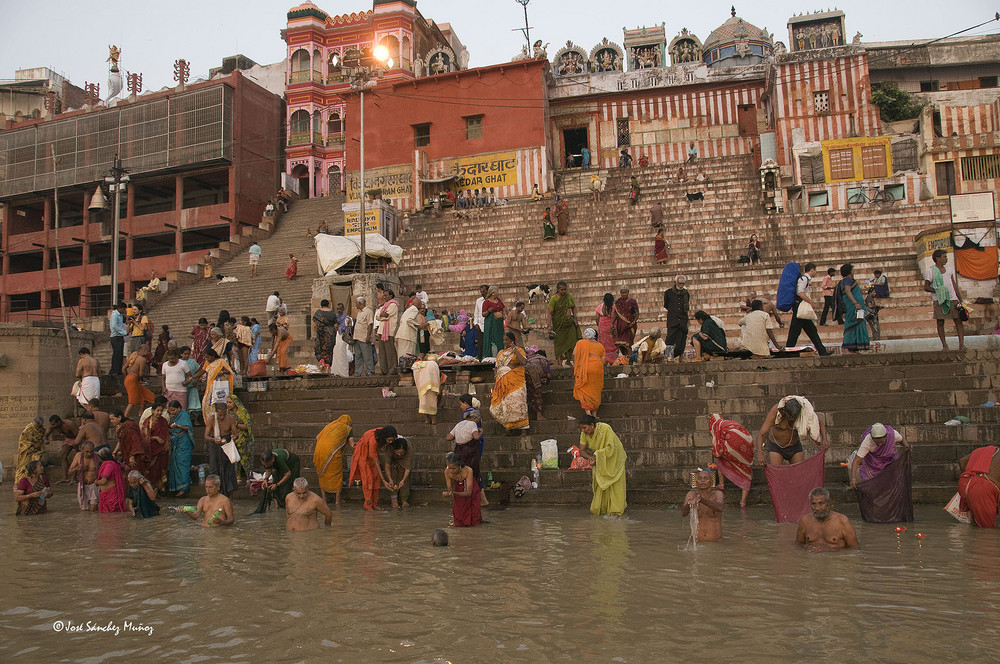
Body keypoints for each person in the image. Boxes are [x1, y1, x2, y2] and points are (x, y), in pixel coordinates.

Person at [576, 415, 627, 516]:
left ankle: (615, 511)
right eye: (581, 428)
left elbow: (611, 447)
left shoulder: (605, 428)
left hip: (615, 456)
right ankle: (601, 509)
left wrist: (597, 455)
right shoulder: (584, 434)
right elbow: (581, 450)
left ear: (592, 425)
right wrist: (590, 457)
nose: (583, 430)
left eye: (584, 428)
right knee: (600, 482)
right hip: (600, 459)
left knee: (615, 483)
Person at [757, 396, 826, 466]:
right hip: (776, 447)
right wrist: (760, 453)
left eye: (794, 418)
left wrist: (824, 439)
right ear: (784, 411)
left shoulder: (804, 412)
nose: (791, 419)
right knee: (777, 472)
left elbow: (818, 422)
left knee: (799, 472)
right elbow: (762, 434)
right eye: (789, 417)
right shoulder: (776, 411)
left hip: (794, 446)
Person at [709, 414, 755, 508]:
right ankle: (743, 501)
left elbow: (717, 452)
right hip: (748, 443)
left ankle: (721, 484)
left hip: (734, 444)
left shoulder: (717, 427)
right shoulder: (729, 423)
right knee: (746, 470)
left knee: (720, 459)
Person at [786, 262, 831, 356]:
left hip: (801, 308)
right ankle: (787, 352)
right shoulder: (804, 279)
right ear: (812, 270)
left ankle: (822, 350)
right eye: (815, 270)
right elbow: (800, 293)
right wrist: (810, 302)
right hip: (800, 307)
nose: (815, 272)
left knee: (811, 331)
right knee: (795, 332)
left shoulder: (805, 279)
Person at [924, 249, 965, 350]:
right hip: (939, 299)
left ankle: (961, 344)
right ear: (938, 259)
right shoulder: (930, 271)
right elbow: (926, 287)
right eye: (944, 257)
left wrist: (960, 299)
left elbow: (954, 284)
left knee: (958, 321)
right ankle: (945, 345)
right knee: (940, 322)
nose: (946, 259)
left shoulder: (949, 269)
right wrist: (938, 290)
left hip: (952, 298)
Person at [795, 487, 860, 552]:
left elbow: (855, 549)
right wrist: (806, 547)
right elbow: (798, 545)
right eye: (813, 504)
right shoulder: (805, 521)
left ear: (829, 502)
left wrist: (828, 550)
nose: (817, 508)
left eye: (821, 503)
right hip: (813, 560)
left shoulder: (842, 521)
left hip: (835, 561)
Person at [348, 426, 397, 510]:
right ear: (384, 437)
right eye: (389, 440)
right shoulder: (373, 441)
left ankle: (374, 504)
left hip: (372, 456)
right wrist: (384, 480)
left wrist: (384, 479)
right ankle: (368, 505)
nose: (390, 442)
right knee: (368, 479)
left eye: (392, 440)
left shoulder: (383, 433)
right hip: (362, 456)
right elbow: (376, 461)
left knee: (376, 478)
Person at [490, 332, 530, 433]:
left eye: (507, 340)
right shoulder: (500, 353)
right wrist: (497, 377)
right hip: (502, 382)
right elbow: (496, 367)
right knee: (505, 405)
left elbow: (524, 362)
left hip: (516, 382)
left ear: (512, 341)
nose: (505, 342)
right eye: (504, 340)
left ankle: (523, 429)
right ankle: (508, 428)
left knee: (518, 404)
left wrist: (515, 349)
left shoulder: (519, 350)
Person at [958, 446, 1000, 528]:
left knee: (975, 522)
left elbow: (962, 461)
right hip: (982, 487)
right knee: (988, 530)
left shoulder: (981, 450)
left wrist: (970, 482)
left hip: (964, 481)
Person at [314, 414, 352, 505]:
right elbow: (352, 444)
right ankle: (337, 500)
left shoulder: (330, 425)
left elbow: (317, 436)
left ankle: (324, 498)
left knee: (322, 473)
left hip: (319, 450)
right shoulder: (347, 428)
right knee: (336, 474)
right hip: (333, 452)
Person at [203, 402, 238, 497]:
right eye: (220, 414)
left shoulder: (230, 418)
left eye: (224, 414)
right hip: (215, 444)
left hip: (227, 444)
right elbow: (206, 436)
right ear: (216, 412)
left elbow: (235, 434)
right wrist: (214, 440)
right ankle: (214, 495)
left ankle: (229, 497)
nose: (222, 417)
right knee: (214, 468)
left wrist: (232, 439)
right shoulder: (211, 419)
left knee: (228, 470)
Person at [682, 469, 724, 542]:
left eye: (706, 478)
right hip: (697, 544)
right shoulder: (691, 494)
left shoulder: (717, 494)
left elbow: (720, 507)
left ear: (711, 482)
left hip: (715, 544)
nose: (702, 481)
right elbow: (683, 513)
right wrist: (689, 504)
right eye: (700, 478)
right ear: (696, 482)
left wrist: (702, 500)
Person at [443, 452, 482, 527]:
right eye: (449, 468)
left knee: (474, 515)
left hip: (472, 490)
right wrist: (448, 493)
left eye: (454, 468)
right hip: (458, 489)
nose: (451, 471)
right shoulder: (447, 472)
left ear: (460, 466)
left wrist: (455, 493)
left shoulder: (468, 470)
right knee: (458, 514)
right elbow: (450, 490)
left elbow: (469, 492)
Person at [573, 329, 606, 416]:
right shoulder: (601, 346)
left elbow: (574, 354)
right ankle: (594, 414)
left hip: (585, 368)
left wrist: (577, 365)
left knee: (585, 390)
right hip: (597, 368)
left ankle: (588, 413)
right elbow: (604, 362)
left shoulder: (580, 343)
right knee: (596, 390)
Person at [165, 400, 194, 497]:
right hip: (176, 442)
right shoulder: (176, 417)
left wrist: (177, 425)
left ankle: (184, 488)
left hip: (184, 442)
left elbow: (187, 428)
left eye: (173, 410)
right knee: (175, 464)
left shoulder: (184, 415)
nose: (172, 413)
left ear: (179, 408)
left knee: (183, 464)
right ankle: (176, 486)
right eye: (170, 411)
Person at [548, 281, 580, 367]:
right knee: (558, 343)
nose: (563, 291)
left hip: (569, 323)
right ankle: (559, 362)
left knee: (573, 341)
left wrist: (575, 317)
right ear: (557, 290)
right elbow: (550, 313)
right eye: (561, 290)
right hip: (559, 325)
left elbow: (574, 308)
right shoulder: (553, 299)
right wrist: (549, 325)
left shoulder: (569, 297)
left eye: (565, 290)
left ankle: (568, 361)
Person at [839, 263, 870, 353]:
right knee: (852, 325)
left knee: (857, 325)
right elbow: (848, 291)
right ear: (849, 271)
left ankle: (853, 348)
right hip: (853, 307)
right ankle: (848, 347)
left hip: (854, 308)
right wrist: (855, 303)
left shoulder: (847, 280)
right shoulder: (848, 280)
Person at [141, 402, 170, 489]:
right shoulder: (147, 422)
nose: (159, 413)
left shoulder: (163, 421)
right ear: (153, 411)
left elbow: (166, 434)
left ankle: (160, 489)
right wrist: (155, 438)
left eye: (161, 411)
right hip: (151, 450)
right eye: (157, 411)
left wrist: (166, 445)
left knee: (160, 470)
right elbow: (144, 437)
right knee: (152, 471)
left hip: (162, 451)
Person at [226, 395, 255, 483]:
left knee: (246, 460)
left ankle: (248, 478)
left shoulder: (242, 412)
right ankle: (238, 478)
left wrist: (236, 425)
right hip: (235, 439)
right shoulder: (228, 413)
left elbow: (248, 427)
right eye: (227, 402)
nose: (228, 404)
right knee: (236, 460)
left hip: (245, 439)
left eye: (230, 402)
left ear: (235, 403)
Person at [123, 344, 155, 419]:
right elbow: (140, 374)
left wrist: (127, 376)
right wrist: (150, 376)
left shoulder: (132, 356)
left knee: (147, 395)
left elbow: (123, 369)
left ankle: (141, 412)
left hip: (129, 379)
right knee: (132, 402)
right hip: (133, 380)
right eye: (148, 351)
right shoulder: (142, 360)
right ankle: (124, 418)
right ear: (143, 350)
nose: (148, 353)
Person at [44, 414, 79, 483]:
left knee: (77, 457)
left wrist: (76, 444)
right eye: (52, 424)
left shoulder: (69, 424)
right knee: (63, 456)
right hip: (68, 439)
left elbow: (78, 435)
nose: (53, 426)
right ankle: (65, 477)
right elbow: (45, 435)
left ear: (59, 422)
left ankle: (74, 477)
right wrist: (45, 440)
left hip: (76, 439)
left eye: (54, 424)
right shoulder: (52, 426)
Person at [663, 275, 690, 362]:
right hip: (673, 320)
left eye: (683, 283)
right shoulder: (668, 293)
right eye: (679, 283)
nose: (681, 285)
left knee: (681, 341)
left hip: (683, 320)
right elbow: (666, 305)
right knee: (670, 339)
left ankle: (679, 358)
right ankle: (668, 358)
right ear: (675, 283)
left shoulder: (686, 293)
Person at [67, 440, 100, 511]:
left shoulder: (97, 456)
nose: (89, 454)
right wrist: (76, 469)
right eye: (87, 452)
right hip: (83, 485)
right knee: (84, 510)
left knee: (93, 509)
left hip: (94, 485)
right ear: (82, 450)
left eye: (91, 451)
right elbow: (69, 472)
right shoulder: (78, 456)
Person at [384, 437, 414, 509]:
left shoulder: (409, 450)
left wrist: (403, 480)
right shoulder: (389, 448)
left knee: (404, 480)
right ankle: (394, 500)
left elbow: (407, 468)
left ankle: (404, 500)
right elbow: (387, 466)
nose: (399, 454)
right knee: (393, 481)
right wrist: (389, 479)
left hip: (404, 461)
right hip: (393, 461)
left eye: (401, 453)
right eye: (397, 452)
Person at [95, 447, 127, 513]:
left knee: (111, 516)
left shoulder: (109, 465)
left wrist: (96, 482)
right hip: (111, 494)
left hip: (110, 495)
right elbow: (125, 467)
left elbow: (104, 481)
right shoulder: (115, 462)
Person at [375, 289, 399, 375]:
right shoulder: (384, 305)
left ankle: (392, 369)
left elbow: (386, 316)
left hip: (389, 332)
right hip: (382, 331)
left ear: (391, 296)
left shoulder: (393, 305)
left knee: (390, 352)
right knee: (382, 352)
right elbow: (378, 316)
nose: (384, 297)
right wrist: (381, 315)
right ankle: (384, 370)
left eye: (386, 295)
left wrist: (381, 316)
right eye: (384, 295)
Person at [16, 417, 46, 483]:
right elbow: (22, 440)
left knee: (36, 461)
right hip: (27, 450)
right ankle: (21, 480)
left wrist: (42, 442)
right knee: (24, 465)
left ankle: (36, 479)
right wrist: (32, 444)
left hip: (37, 450)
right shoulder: (28, 429)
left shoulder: (42, 429)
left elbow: (43, 437)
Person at [524, 349, 551, 420]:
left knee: (527, 393)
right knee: (537, 394)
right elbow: (549, 376)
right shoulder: (545, 360)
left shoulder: (530, 358)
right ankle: (539, 415)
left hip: (523, 374)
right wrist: (547, 381)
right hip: (534, 376)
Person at [353, 297, 376, 376]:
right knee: (358, 356)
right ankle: (357, 372)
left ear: (360, 303)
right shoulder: (359, 313)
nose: (355, 305)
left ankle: (370, 371)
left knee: (367, 356)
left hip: (364, 337)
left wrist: (368, 336)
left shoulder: (368, 312)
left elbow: (370, 324)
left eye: (356, 303)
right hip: (357, 337)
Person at [482, 287, 506, 358]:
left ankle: (501, 353)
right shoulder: (486, 302)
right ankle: (492, 354)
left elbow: (503, 308)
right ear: (493, 293)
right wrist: (488, 311)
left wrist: (504, 314)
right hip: (492, 324)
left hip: (499, 323)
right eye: (497, 292)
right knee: (492, 338)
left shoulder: (498, 300)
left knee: (500, 337)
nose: (498, 293)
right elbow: (483, 314)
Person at [312, 299, 337, 365]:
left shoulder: (318, 312)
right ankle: (328, 366)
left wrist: (316, 332)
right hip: (331, 333)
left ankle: (323, 364)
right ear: (328, 304)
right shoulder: (332, 312)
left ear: (321, 305)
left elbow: (315, 324)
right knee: (330, 350)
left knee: (321, 350)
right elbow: (336, 324)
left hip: (321, 333)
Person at [595, 294, 617, 362]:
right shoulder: (614, 307)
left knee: (603, 343)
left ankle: (604, 359)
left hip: (602, 326)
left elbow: (597, 317)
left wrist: (599, 326)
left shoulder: (600, 306)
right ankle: (613, 360)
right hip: (612, 326)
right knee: (613, 342)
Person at [109, 302, 127, 376]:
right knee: (116, 354)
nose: (124, 310)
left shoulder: (121, 316)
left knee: (120, 354)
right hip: (115, 336)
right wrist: (124, 332)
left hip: (120, 336)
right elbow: (114, 326)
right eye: (123, 309)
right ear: (119, 308)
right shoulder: (114, 315)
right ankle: (114, 370)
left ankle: (119, 370)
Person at [472, 284, 488, 360]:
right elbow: (476, 313)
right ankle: (480, 360)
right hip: (481, 326)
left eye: (484, 291)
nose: (482, 293)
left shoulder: (491, 300)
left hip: (489, 326)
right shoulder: (478, 301)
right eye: (481, 291)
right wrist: (476, 323)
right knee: (480, 344)